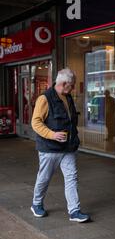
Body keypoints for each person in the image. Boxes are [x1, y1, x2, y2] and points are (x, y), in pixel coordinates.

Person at [30, 68, 90, 223]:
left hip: (68, 147)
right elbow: (35, 123)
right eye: (72, 85)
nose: (73, 88)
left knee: (72, 177)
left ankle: (74, 211)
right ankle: (36, 203)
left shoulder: (67, 96)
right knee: (44, 178)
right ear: (64, 83)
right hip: (49, 148)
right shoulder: (44, 99)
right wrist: (52, 134)